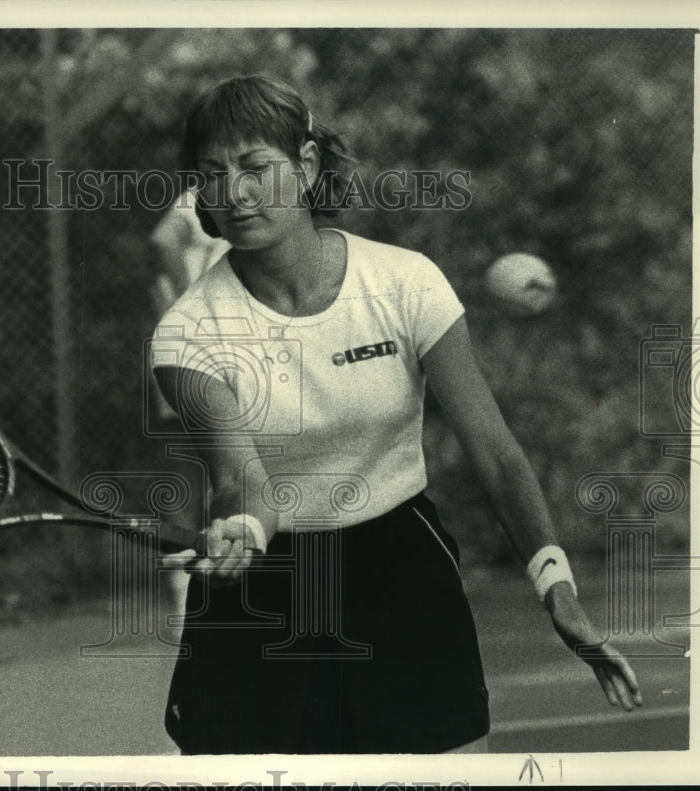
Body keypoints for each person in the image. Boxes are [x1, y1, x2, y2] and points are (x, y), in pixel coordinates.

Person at [149, 74, 641, 755]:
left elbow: (495, 452)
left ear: (306, 165)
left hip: (399, 569)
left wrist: (557, 586)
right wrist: (245, 530)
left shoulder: (404, 282)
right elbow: (242, 480)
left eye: (256, 167)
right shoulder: (187, 333)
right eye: (213, 175)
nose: (234, 192)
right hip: (264, 586)